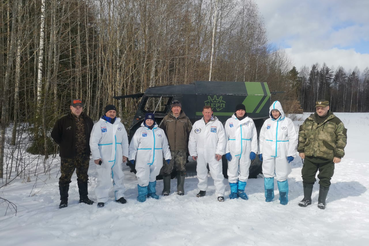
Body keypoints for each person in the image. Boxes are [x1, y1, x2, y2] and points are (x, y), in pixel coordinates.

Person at [297, 100, 347, 209]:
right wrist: (301, 150)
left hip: (327, 156)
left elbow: (341, 138)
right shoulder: (309, 120)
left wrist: (338, 154)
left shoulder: (336, 122)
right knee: (307, 177)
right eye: (318, 108)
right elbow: (302, 135)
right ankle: (306, 199)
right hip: (310, 155)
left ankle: (321, 200)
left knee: (325, 179)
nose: (320, 110)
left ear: (328, 108)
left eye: (322, 108)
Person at [51, 99, 94, 209]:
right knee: (65, 178)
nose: (78, 109)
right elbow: (55, 135)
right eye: (75, 107)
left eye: (80, 107)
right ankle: (64, 201)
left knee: (83, 176)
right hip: (68, 156)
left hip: (84, 154)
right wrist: (65, 145)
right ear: (71, 108)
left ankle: (84, 197)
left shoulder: (88, 120)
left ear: (82, 108)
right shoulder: (63, 121)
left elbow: (93, 136)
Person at [259, 101, 298, 205]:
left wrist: (291, 153)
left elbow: (293, 137)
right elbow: (262, 137)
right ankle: (269, 194)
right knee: (267, 173)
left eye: (276, 111)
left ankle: (283, 195)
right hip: (268, 151)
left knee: (282, 174)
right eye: (273, 111)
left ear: (280, 111)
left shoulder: (287, 121)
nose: (275, 113)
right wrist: (261, 151)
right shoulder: (267, 122)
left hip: (282, 151)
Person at [90, 105, 129, 208]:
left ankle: (119, 195)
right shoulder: (99, 125)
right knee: (104, 177)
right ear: (106, 113)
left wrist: (125, 154)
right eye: (110, 111)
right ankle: (102, 198)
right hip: (104, 154)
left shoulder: (119, 125)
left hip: (117, 153)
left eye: (114, 112)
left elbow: (125, 141)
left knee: (119, 175)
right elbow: (93, 142)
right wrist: (96, 156)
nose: (112, 113)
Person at [129, 113, 171, 202]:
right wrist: (131, 157)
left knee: (153, 175)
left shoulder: (160, 131)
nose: (149, 121)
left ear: (153, 121)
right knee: (142, 175)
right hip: (143, 157)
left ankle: (152, 192)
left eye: (151, 120)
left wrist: (167, 156)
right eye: (147, 120)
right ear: (145, 121)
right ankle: (142, 194)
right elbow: (133, 145)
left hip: (156, 157)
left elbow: (165, 145)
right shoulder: (140, 131)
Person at [189, 106, 226, 202]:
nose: (207, 114)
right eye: (205, 112)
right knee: (201, 172)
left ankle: (220, 193)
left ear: (212, 112)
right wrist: (193, 152)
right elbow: (192, 139)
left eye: (209, 112)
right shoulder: (197, 124)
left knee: (217, 173)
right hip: (200, 153)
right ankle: (202, 189)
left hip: (213, 153)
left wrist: (219, 152)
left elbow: (222, 139)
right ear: (202, 112)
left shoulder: (217, 124)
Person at [224, 104, 258, 200]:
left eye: (242, 110)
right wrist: (226, 151)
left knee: (244, 170)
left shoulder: (249, 121)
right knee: (232, 170)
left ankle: (241, 190)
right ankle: (234, 191)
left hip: (246, 149)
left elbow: (254, 137)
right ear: (235, 111)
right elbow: (225, 137)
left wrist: (253, 150)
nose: (240, 112)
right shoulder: (229, 121)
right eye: (238, 110)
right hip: (233, 149)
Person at [159, 100, 192, 196]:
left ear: (180, 108)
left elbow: (192, 134)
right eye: (174, 107)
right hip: (168, 150)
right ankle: (166, 189)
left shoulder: (185, 119)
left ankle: (180, 188)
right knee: (167, 169)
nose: (176, 109)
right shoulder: (166, 119)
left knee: (181, 169)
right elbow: (160, 132)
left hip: (181, 150)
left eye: (178, 107)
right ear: (171, 108)